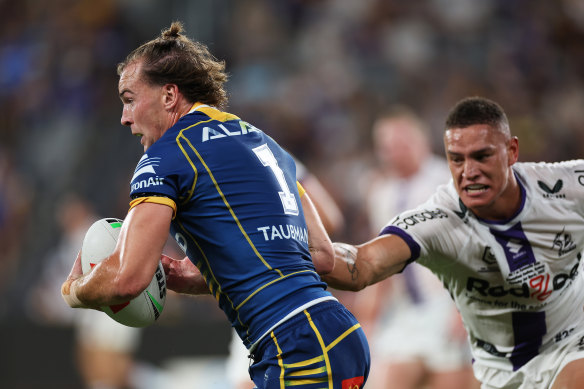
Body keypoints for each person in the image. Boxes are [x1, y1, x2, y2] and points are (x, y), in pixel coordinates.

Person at [61, 21, 370, 389]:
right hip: (338, 333)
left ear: (169, 95)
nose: (125, 117)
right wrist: (202, 275)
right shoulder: (264, 142)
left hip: (294, 344)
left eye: (129, 99)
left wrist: (75, 291)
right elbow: (320, 257)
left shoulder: (165, 157)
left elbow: (127, 280)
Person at [322, 96, 584, 389]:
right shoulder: (436, 216)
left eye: (482, 156)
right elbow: (367, 261)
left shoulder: (566, 187)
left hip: (570, 344)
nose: (469, 171)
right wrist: (304, 249)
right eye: (457, 159)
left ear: (512, 151)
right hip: (494, 366)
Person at [358, 106, 477, 389]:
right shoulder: (380, 192)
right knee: (388, 378)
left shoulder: (449, 181)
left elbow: (474, 245)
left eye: (402, 143)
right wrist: (367, 317)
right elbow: (381, 258)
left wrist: (465, 310)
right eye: (388, 146)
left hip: (448, 303)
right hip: (407, 311)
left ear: (422, 141)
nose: (395, 152)